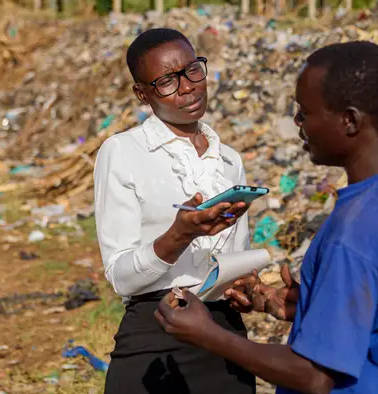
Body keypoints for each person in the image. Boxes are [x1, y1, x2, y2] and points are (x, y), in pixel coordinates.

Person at [153, 40, 378, 394]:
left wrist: (207, 333)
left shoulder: (357, 230)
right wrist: (316, 305)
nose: (297, 122)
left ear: (349, 120)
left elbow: (314, 376)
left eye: (305, 112)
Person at [93, 28, 256, 394]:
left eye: (192, 70)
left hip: (223, 335)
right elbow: (121, 276)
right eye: (167, 81)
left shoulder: (229, 160)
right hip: (156, 332)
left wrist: (247, 287)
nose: (187, 88)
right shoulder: (122, 152)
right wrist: (180, 235)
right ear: (142, 93)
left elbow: (235, 260)